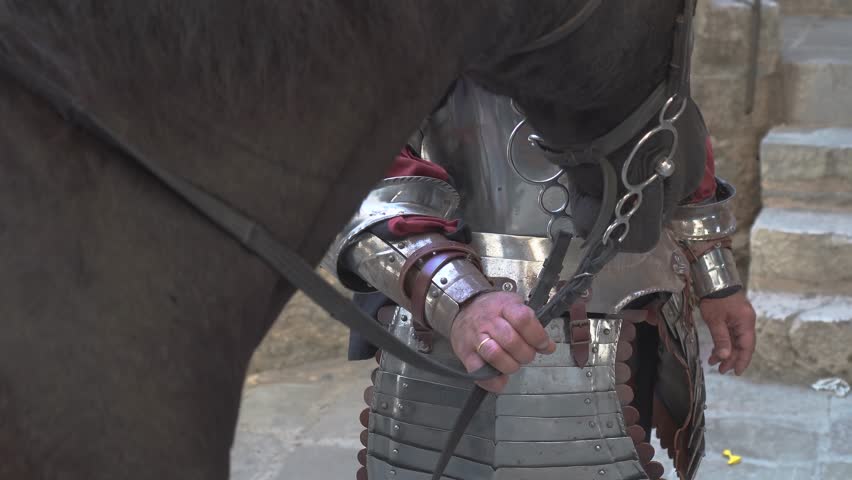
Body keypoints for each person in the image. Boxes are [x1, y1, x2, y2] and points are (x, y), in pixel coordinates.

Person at [322, 77, 756, 480]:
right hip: (452, 316)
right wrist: (454, 294)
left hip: (630, 305)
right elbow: (355, 163)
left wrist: (715, 272)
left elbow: (668, 128)